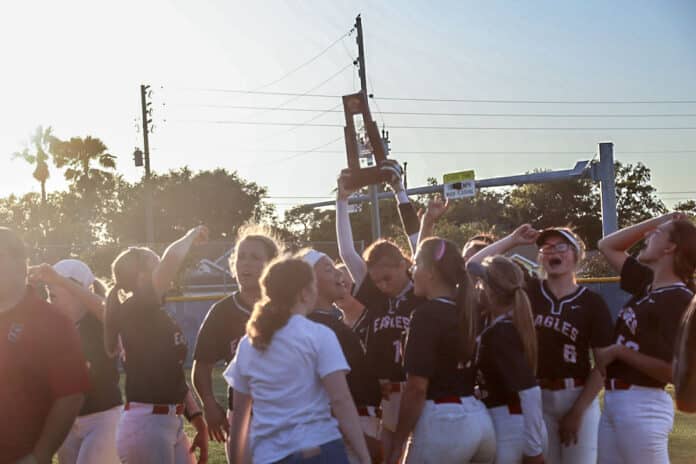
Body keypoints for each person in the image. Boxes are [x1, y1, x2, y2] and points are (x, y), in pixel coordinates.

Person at [468, 225, 613, 464]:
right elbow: (474, 265)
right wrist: (512, 240)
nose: (553, 251)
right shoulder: (530, 290)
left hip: (576, 395)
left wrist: (577, 412)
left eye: (561, 246)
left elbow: (603, 366)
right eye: (547, 247)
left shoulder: (592, 302)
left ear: (576, 254)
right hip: (537, 398)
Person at [224, 257, 371, 464]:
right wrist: (364, 455)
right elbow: (341, 400)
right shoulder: (319, 335)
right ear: (304, 292)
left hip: (269, 455)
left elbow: (240, 416)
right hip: (320, 449)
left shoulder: (248, 344)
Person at [336, 166, 424, 456]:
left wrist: (401, 193)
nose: (382, 285)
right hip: (385, 394)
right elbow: (348, 252)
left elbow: (418, 241)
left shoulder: (420, 285)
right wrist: (342, 200)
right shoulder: (373, 290)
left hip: (419, 391)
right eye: (376, 279)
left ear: (404, 265)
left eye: (388, 277)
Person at [104, 226, 210, 464]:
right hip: (147, 425)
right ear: (143, 276)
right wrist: (191, 235)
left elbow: (172, 374)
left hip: (169, 422)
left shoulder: (156, 314)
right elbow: (172, 259)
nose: (163, 267)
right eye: (156, 263)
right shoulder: (136, 308)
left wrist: (198, 421)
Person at [596, 213, 696, 463]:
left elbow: (675, 372)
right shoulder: (647, 283)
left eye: (656, 233)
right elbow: (607, 245)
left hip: (643, 403)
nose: (647, 235)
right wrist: (661, 220)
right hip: (615, 400)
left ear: (670, 247)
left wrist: (620, 352)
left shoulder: (680, 299)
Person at [388, 238, 496, 464]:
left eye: (416, 264)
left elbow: (417, 388)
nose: (412, 270)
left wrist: (398, 442)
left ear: (430, 272)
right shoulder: (470, 308)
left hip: (443, 421)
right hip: (479, 419)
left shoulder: (426, 314)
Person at [0, 228, 90, 464]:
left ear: (20, 264)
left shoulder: (52, 321)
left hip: (19, 455)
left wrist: (39, 455)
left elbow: (71, 394)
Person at [192, 225, 281, 462]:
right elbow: (201, 365)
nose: (246, 263)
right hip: (243, 417)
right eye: (241, 257)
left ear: (272, 265)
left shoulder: (286, 309)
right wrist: (209, 404)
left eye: (255, 257)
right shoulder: (222, 312)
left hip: (286, 415)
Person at [28, 260, 122, 464]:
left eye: (54, 294)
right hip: (68, 423)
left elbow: (110, 314)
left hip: (103, 418)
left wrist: (60, 280)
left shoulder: (97, 320)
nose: (50, 300)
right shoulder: (55, 326)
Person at [297, 249, 382, 463]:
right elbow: (322, 396)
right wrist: (361, 441)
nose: (339, 274)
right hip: (344, 432)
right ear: (309, 282)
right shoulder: (315, 327)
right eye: (328, 269)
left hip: (355, 425)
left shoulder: (328, 323)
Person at [468, 256, 547, 464]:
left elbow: (530, 391)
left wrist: (533, 449)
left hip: (511, 428)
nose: (477, 287)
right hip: (510, 422)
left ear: (491, 291)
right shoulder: (502, 323)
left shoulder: (501, 333)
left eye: (481, 283)